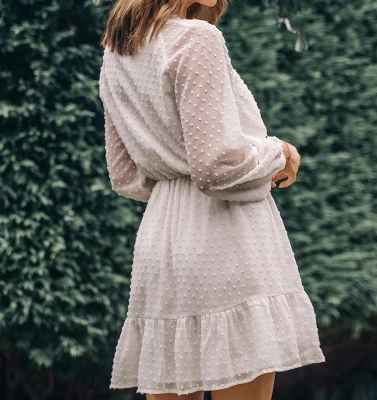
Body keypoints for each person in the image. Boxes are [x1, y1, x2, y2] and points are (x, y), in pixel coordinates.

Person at [98, 0, 325, 398]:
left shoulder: (117, 54)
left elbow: (125, 176)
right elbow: (215, 168)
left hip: (161, 242)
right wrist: (281, 152)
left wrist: (174, 187)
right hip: (228, 238)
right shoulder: (197, 38)